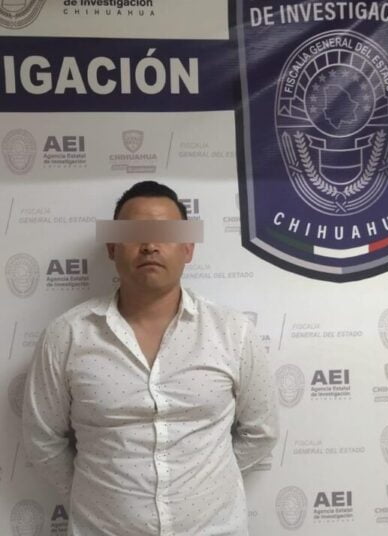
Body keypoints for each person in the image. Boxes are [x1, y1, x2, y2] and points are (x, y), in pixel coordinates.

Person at [22, 180, 278, 536]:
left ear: (188, 248)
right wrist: (94, 497)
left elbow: (261, 431)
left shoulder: (233, 333)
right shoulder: (67, 336)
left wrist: (207, 482)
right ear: (112, 247)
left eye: (166, 234)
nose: (150, 246)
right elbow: (42, 440)